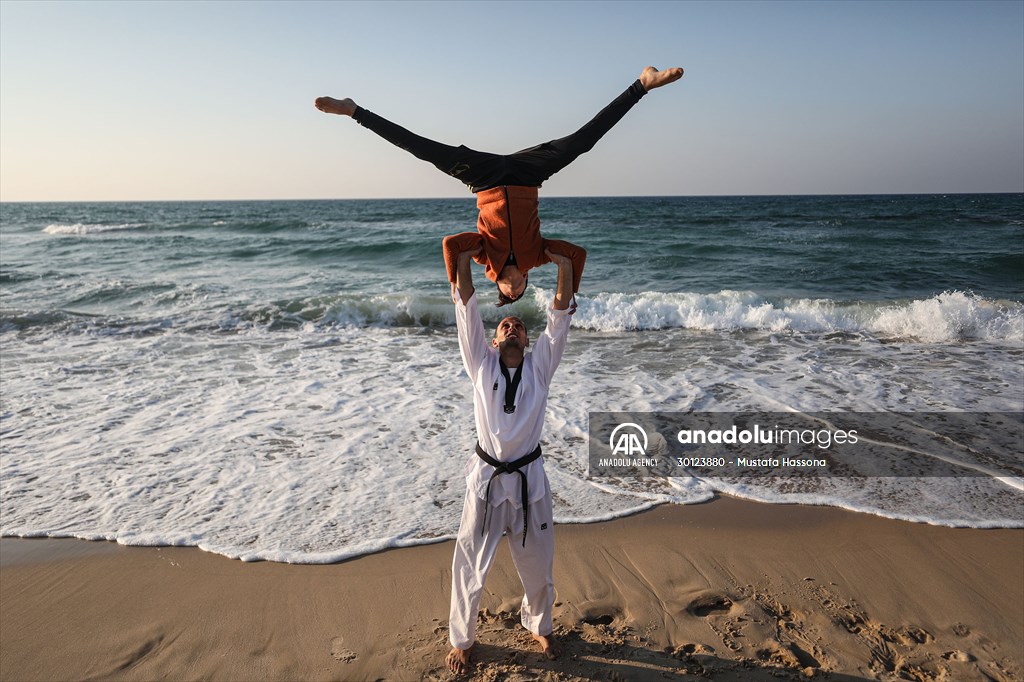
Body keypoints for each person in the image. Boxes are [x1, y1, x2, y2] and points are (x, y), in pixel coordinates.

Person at [314, 65, 683, 305]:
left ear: (501, 289)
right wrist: (568, 286)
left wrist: (456, 287)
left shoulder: (482, 256)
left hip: (483, 178)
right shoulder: (539, 255)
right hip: (527, 176)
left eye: (512, 292)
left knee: (420, 147)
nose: (517, 287)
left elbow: (449, 244)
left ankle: (353, 111)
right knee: (583, 141)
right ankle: (642, 85)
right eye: (521, 288)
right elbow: (578, 255)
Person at [443, 240, 574, 673]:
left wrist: (561, 266)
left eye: (518, 326)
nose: (512, 328)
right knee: (469, 560)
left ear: (528, 339)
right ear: (496, 341)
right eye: (505, 327)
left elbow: (559, 317)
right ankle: (462, 639)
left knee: (538, 561)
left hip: (529, 480)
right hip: (485, 481)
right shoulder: (481, 364)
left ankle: (539, 624)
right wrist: (463, 259)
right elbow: (467, 312)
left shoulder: (540, 368)